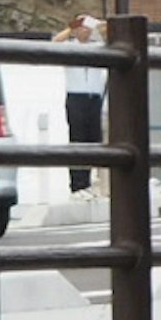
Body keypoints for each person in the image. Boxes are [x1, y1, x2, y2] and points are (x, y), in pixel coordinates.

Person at [56, 12, 105, 194]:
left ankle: (90, 181)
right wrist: (72, 26)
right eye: (81, 27)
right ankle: (77, 185)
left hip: (94, 98)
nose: (85, 31)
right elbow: (55, 43)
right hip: (76, 97)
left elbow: (113, 36)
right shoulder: (69, 48)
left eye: (87, 28)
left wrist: (97, 23)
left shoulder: (98, 47)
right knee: (77, 139)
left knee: (94, 140)